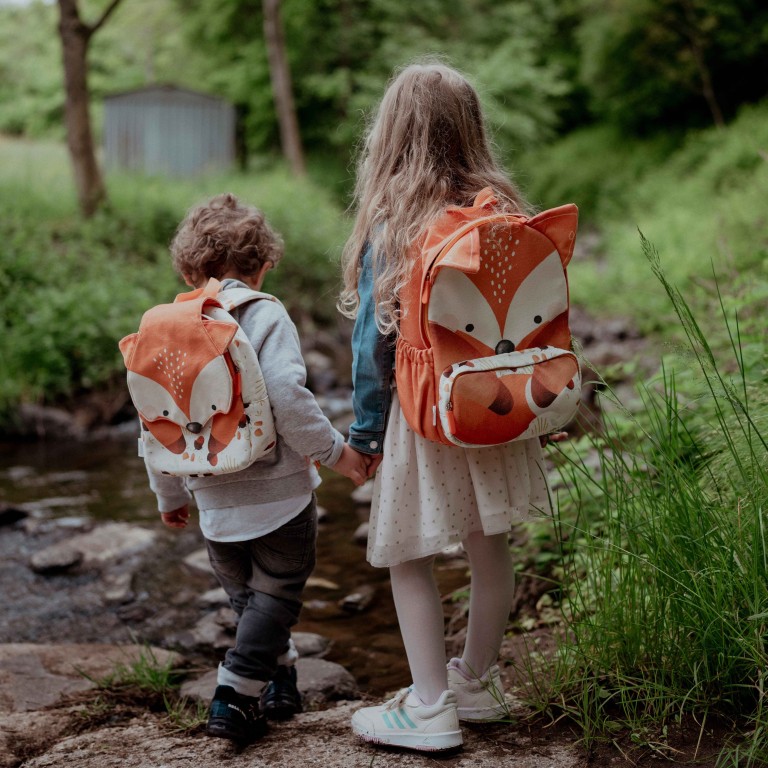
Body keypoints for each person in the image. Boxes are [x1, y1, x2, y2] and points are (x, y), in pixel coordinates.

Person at [339, 62, 563, 752]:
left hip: (424, 417)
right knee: (487, 541)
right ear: (472, 130)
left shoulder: (393, 222)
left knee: (408, 555)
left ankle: (430, 707)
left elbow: (372, 352)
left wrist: (365, 437)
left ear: (392, 134)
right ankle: (474, 678)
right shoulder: (505, 210)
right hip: (499, 405)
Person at [146, 193, 368, 745]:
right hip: (280, 496)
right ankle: (235, 694)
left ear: (189, 265)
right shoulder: (265, 313)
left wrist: (169, 494)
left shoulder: (170, 327)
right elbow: (289, 401)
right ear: (264, 261)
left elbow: (155, 421)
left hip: (213, 503)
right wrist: (339, 454)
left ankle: (282, 678)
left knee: (249, 599)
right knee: (275, 596)